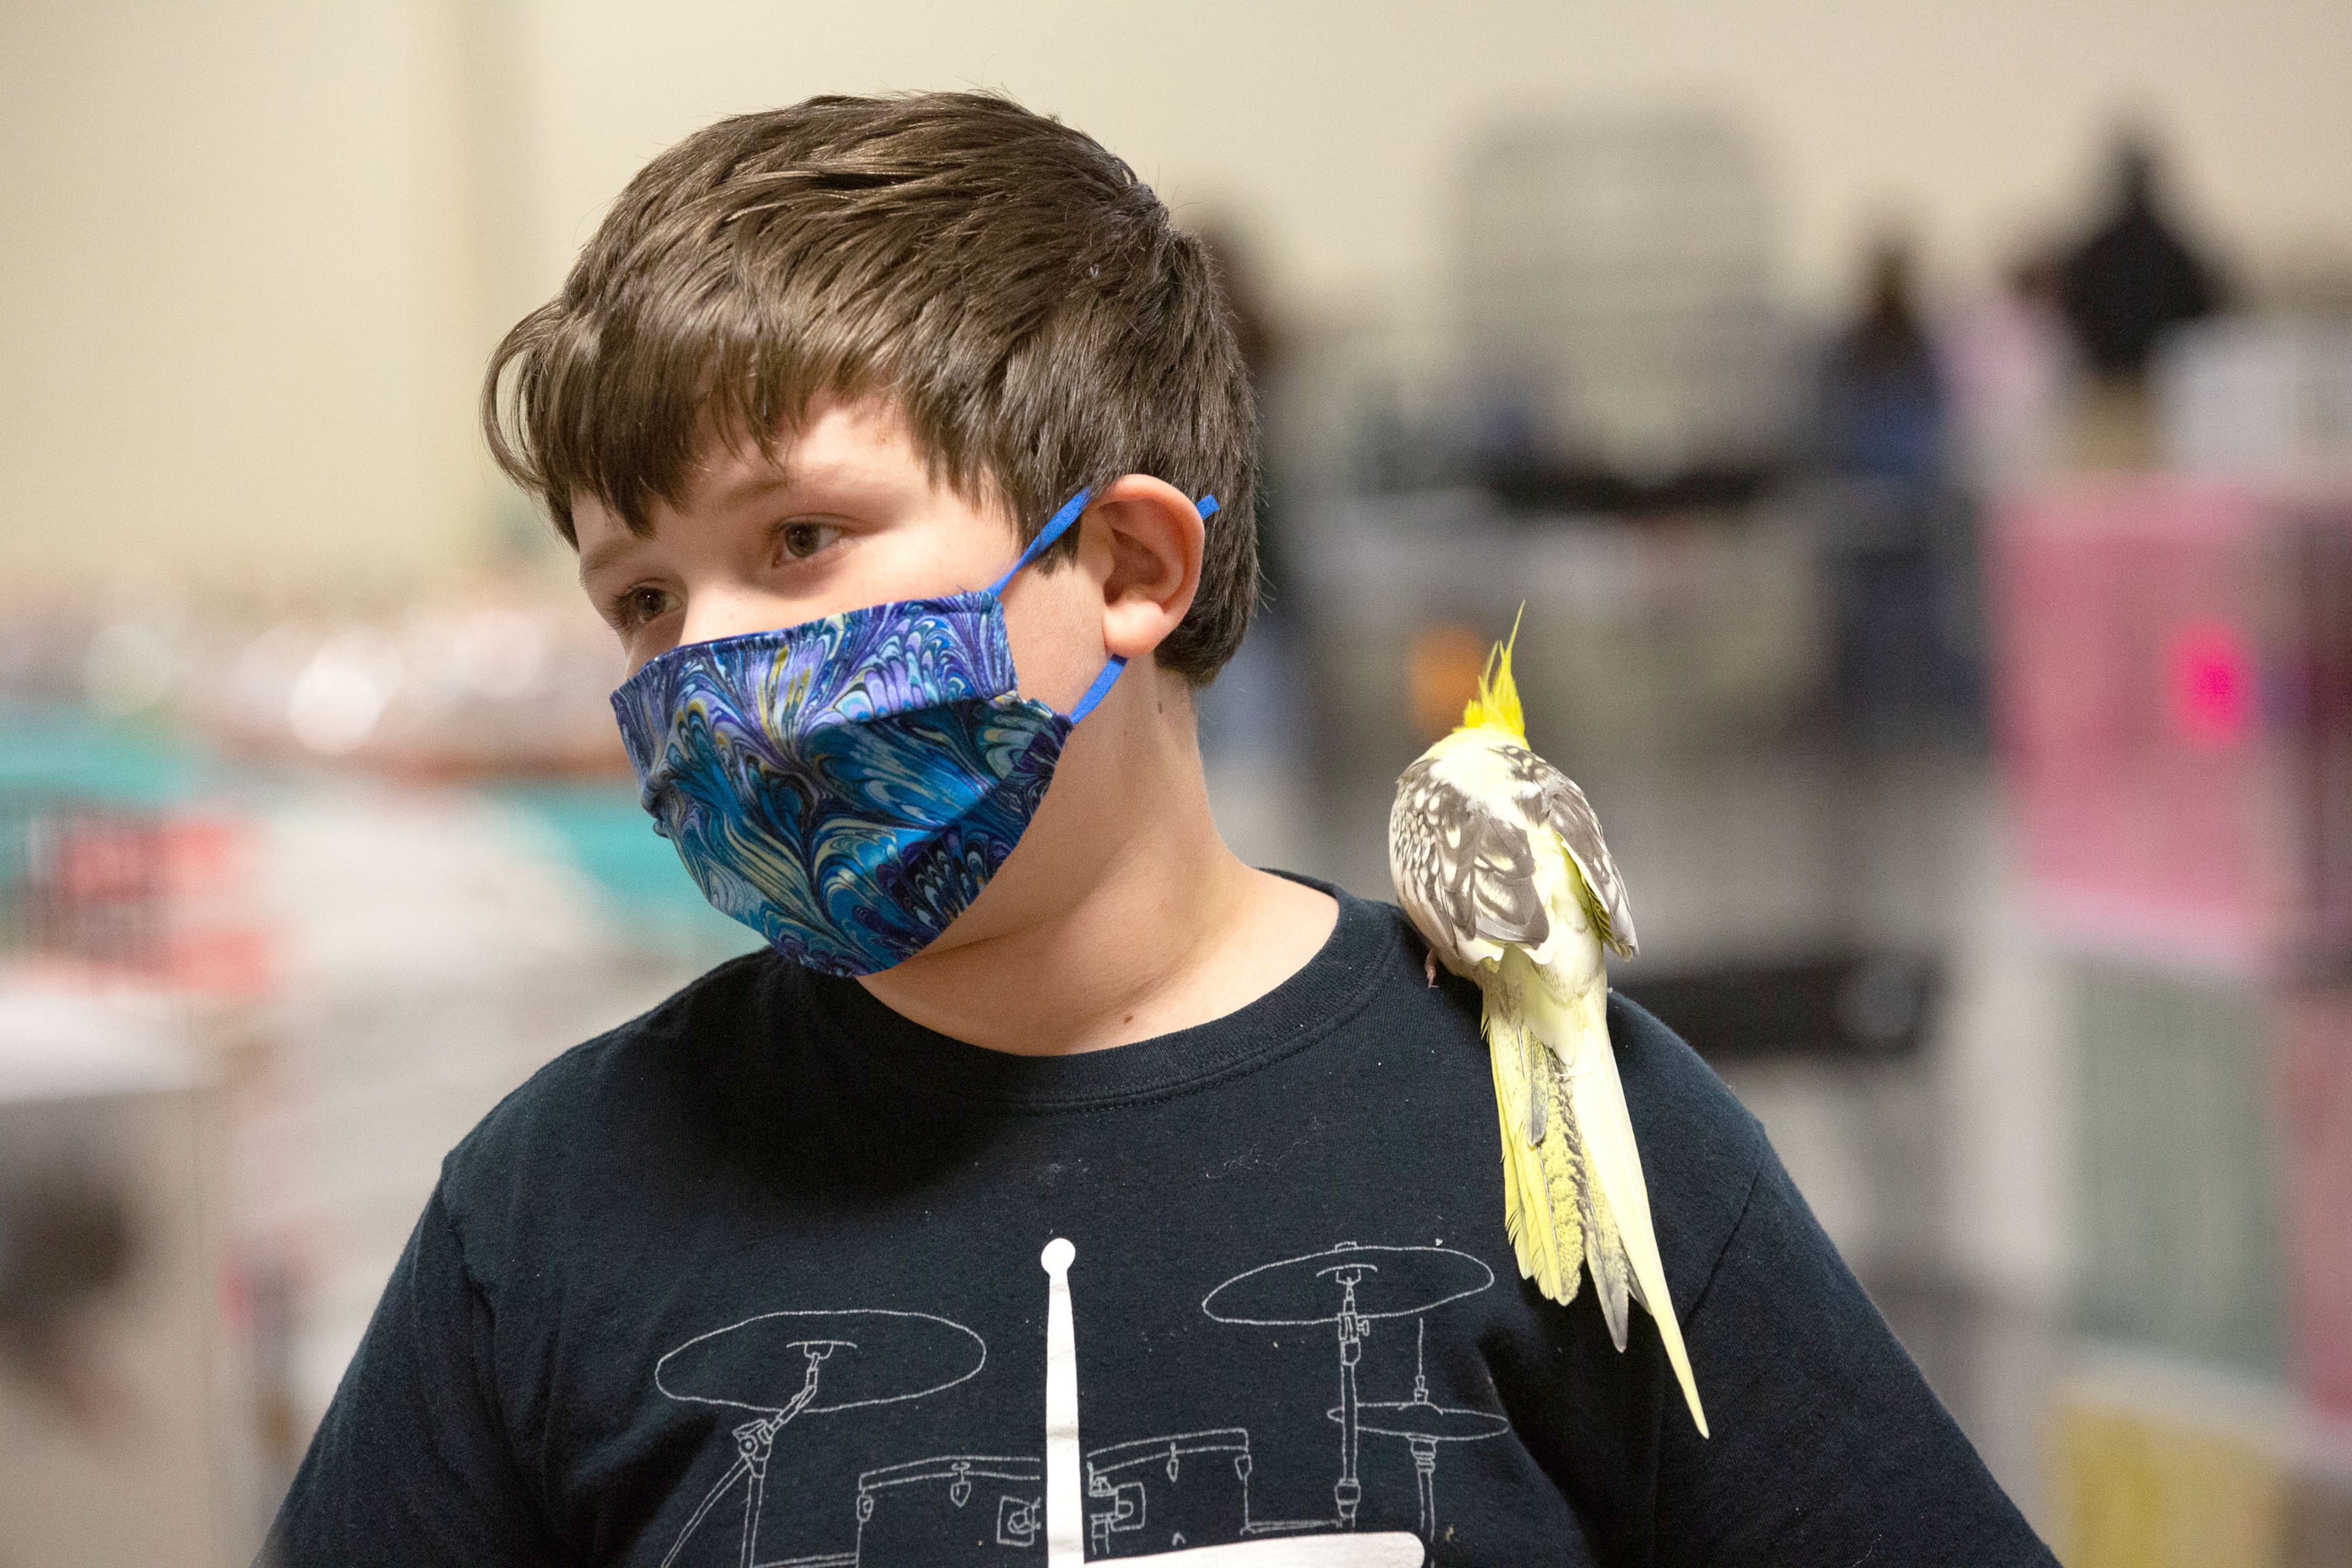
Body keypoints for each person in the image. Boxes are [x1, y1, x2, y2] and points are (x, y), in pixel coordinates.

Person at [265, 92, 2054, 1565]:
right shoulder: (555, 1213)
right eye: (640, 601)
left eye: (800, 539)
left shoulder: (1556, 1124)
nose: (710, 658)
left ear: (1126, 565)